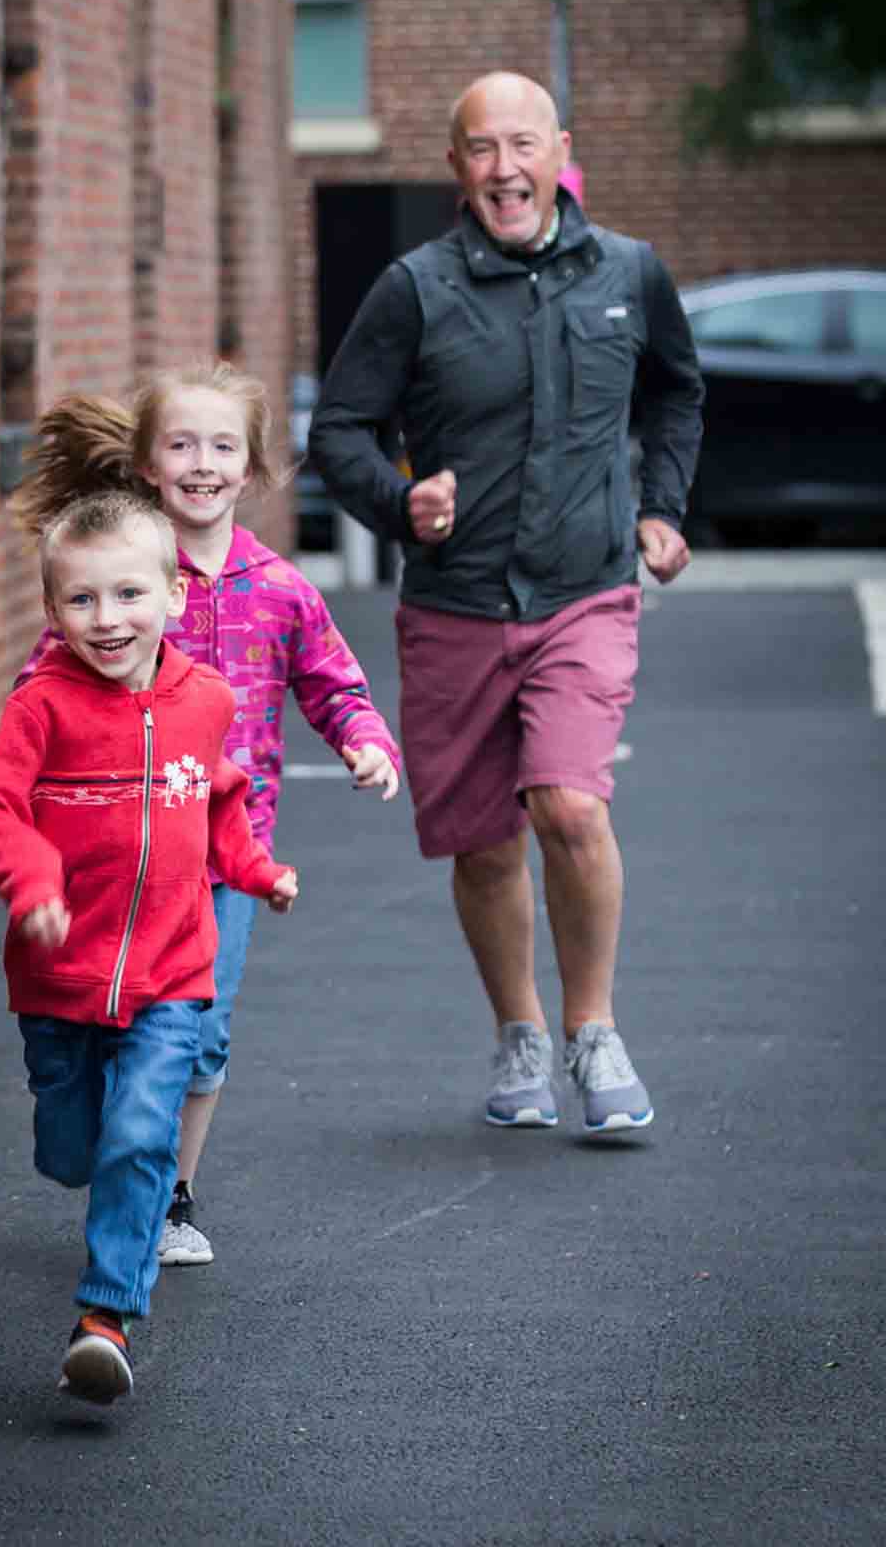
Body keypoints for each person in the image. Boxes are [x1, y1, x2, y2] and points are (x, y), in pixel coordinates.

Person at [308, 70, 704, 1134]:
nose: (504, 168)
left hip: (584, 592)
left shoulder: (628, 273)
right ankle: (518, 1033)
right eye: (482, 149)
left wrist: (661, 508)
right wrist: (402, 505)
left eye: (522, 144)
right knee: (483, 844)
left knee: (569, 805)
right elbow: (336, 432)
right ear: (456, 167)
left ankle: (593, 1031)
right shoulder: (413, 291)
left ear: (558, 149)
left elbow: (673, 390)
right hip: (455, 604)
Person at [10, 361, 400, 1264]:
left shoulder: (281, 588)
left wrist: (365, 740)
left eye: (224, 446)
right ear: (147, 464)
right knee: (111, 1020)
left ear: (253, 468)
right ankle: (115, 1144)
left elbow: (332, 681)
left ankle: (168, 1197)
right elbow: (48, 671)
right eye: (181, 444)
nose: (202, 462)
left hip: (226, 852)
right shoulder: (123, 577)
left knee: (202, 1033)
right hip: (114, 850)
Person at [0, 491, 298, 1404]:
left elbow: (220, 796)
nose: (107, 620)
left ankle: (106, 1318)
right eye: (81, 600)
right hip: (58, 975)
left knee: (142, 1137)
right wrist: (33, 886)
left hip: (170, 973)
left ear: (174, 596)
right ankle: (85, 1160)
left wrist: (256, 872)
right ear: (52, 609)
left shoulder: (208, 702)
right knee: (74, 1153)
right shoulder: (41, 707)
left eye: (128, 595)